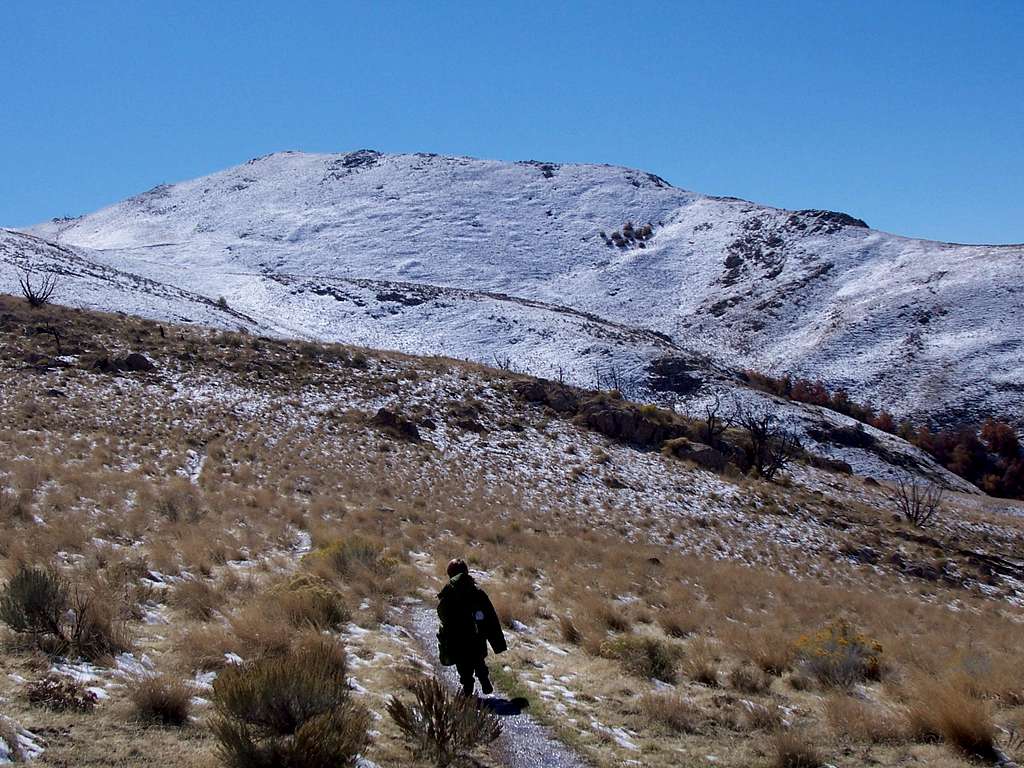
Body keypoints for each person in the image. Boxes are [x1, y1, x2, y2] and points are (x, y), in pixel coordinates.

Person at [436, 558, 507, 696]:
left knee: (463, 663)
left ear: (450, 574)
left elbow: (442, 612)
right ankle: (484, 679)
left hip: (457, 636)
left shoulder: (449, 591)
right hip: (477, 634)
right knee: (478, 658)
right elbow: (491, 618)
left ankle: (468, 689)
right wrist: (498, 643)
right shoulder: (477, 591)